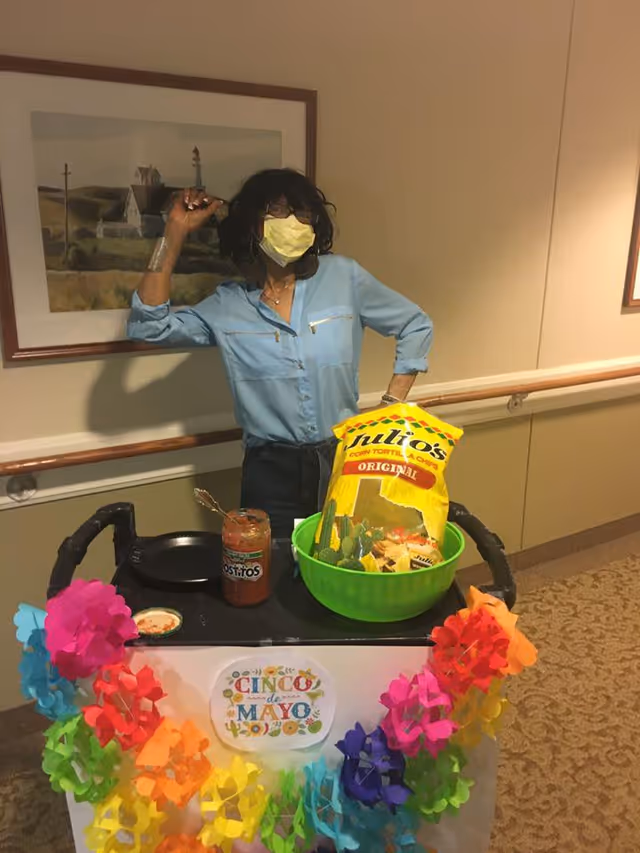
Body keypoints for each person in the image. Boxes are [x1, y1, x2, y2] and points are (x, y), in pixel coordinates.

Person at [127, 168, 433, 537]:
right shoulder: (227, 306)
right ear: (252, 223)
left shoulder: (343, 278)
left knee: (349, 559)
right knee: (273, 569)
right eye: (278, 212)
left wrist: (388, 408)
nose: (293, 224)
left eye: (303, 215)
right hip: (269, 470)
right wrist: (173, 233)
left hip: (343, 459)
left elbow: (415, 325)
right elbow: (150, 325)